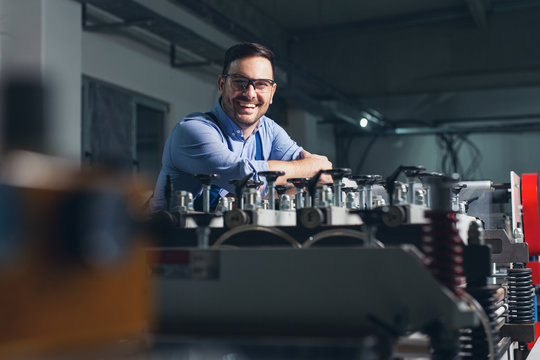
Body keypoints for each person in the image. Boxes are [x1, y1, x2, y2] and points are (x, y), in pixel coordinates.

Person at [150, 42, 332, 212]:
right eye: (239, 82)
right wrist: (310, 167)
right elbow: (244, 178)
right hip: (169, 241)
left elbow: (322, 178)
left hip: (225, 240)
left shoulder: (270, 131)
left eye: (261, 84)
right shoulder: (192, 131)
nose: (250, 93)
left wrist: (310, 172)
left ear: (272, 93)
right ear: (222, 84)